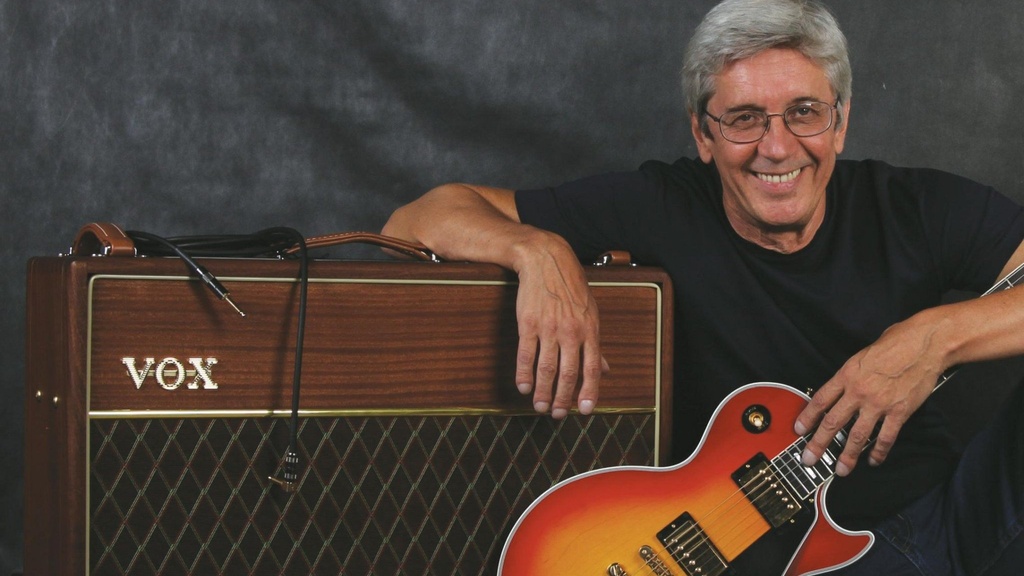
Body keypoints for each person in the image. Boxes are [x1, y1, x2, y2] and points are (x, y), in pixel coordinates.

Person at [382, 0, 1024, 573]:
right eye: (744, 119)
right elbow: (416, 220)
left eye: (805, 113)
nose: (777, 147)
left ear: (841, 122)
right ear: (703, 134)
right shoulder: (659, 205)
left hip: (948, 522)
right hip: (755, 555)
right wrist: (537, 249)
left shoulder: (914, 207)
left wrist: (935, 337)